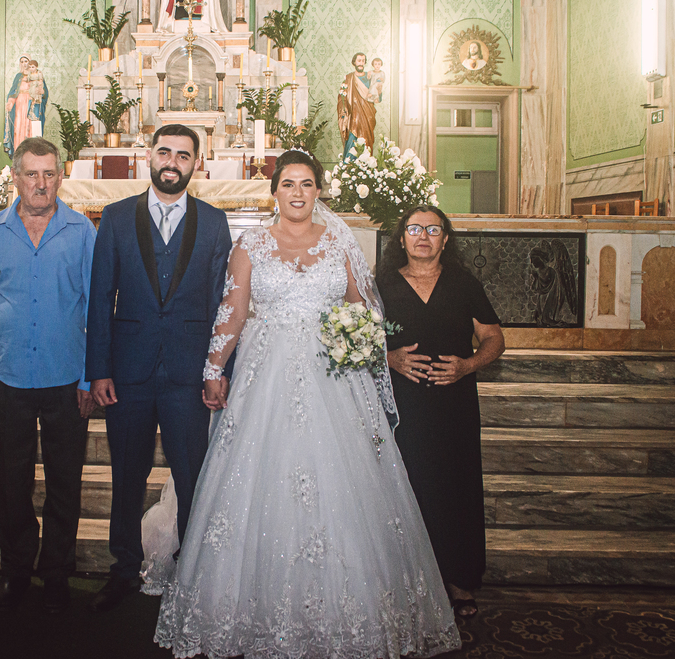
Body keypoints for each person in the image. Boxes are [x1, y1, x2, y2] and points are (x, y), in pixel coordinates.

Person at [154, 150, 461, 659]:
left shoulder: (340, 241)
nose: (297, 193)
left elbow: (362, 309)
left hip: (332, 376)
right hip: (265, 376)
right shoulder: (251, 243)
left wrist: (357, 341)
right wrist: (213, 369)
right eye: (288, 184)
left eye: (306, 184)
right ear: (274, 191)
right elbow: (233, 310)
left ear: (319, 191)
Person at [85, 124, 233, 612]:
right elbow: (100, 297)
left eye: (183, 155)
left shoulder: (213, 222)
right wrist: (99, 369)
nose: (173, 162)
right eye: (165, 152)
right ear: (149, 156)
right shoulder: (115, 217)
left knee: (192, 477)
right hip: (128, 372)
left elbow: (222, 302)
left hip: (188, 375)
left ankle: (192, 573)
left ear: (197, 164)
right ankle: (124, 569)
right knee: (127, 476)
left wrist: (217, 369)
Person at [0, 137, 97, 614]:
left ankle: (57, 570)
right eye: (31, 174)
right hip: (10, 373)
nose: (40, 184)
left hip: (67, 376)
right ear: (16, 177)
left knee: (65, 479)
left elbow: (96, 309)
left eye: (48, 174)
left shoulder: (82, 231)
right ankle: (16, 568)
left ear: (60, 176)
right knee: (11, 480)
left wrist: (90, 377)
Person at [375, 205, 505, 620]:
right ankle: (406, 582)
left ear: (445, 240)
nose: (423, 236)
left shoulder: (464, 283)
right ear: (401, 238)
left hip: (454, 405)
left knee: (456, 488)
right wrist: (390, 359)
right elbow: (359, 338)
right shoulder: (381, 285)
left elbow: (493, 337)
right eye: (414, 229)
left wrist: (468, 365)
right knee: (407, 486)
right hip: (402, 404)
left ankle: (459, 580)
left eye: (433, 230)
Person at [337, 52, 377, 157]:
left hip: (367, 115)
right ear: (354, 62)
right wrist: (343, 107)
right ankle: (349, 164)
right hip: (352, 117)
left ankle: (366, 164)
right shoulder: (349, 79)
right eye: (359, 60)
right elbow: (342, 97)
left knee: (366, 141)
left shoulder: (369, 77)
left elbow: (376, 95)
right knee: (352, 140)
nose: (361, 63)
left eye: (363, 61)